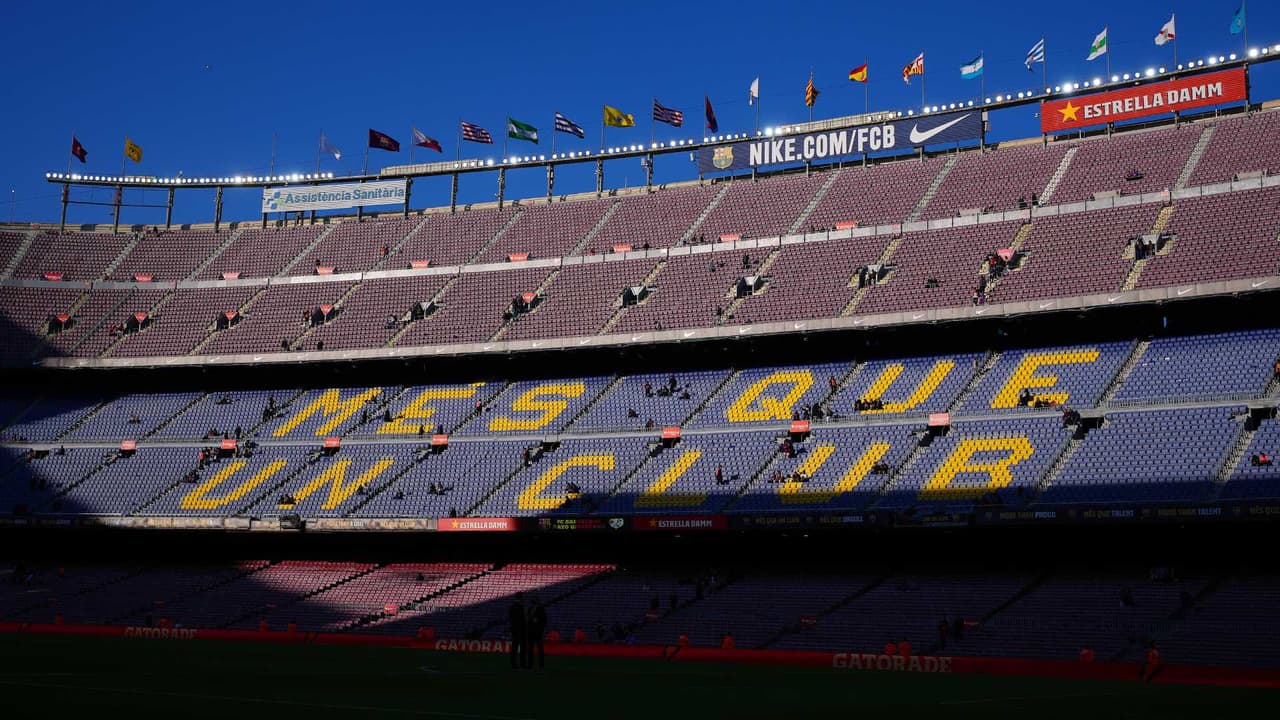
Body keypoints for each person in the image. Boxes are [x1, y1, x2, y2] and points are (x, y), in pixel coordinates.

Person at [508, 593, 527, 669]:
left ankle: (514, 664)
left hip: (514, 629)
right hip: (521, 629)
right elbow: (523, 619)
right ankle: (522, 664)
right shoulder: (521, 606)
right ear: (521, 597)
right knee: (522, 647)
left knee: (514, 647)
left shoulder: (512, 606)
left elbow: (511, 617)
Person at [528, 596, 547, 669]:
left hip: (538, 632)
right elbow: (528, 620)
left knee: (540, 649)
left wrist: (539, 623)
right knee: (531, 649)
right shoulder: (530, 609)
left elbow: (544, 620)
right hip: (531, 632)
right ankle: (530, 664)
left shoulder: (541, 609)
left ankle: (541, 665)